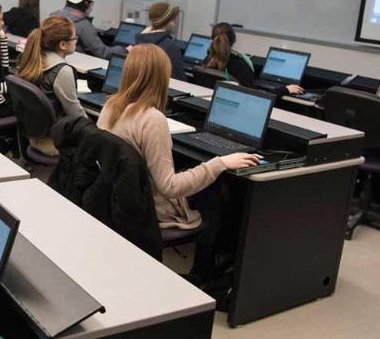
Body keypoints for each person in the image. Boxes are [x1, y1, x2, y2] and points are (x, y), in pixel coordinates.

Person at [96, 44, 259, 281]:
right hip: (150, 208)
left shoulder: (111, 105)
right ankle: (204, 273)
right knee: (219, 191)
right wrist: (220, 163)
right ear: (162, 77)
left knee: (198, 175)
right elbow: (170, 187)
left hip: (118, 197)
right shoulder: (153, 119)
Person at [16, 15, 86, 155]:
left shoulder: (33, 59)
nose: (76, 40)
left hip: (33, 135)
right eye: (74, 37)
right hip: (53, 142)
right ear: (62, 44)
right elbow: (77, 115)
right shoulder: (62, 70)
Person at [205, 22, 304, 96]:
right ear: (234, 39)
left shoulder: (207, 61)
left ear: (212, 39)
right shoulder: (240, 65)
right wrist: (285, 90)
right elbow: (256, 96)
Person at [50, 0, 123, 59]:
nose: (91, 8)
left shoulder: (52, 16)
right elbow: (103, 53)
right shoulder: (83, 24)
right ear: (86, 4)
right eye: (91, 5)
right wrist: (123, 49)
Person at [135, 2, 186, 81]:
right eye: (172, 20)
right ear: (166, 22)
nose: (174, 23)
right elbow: (179, 79)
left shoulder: (139, 41)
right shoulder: (171, 47)